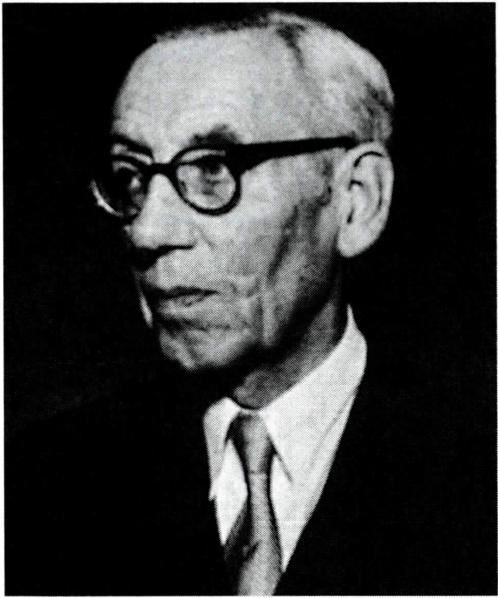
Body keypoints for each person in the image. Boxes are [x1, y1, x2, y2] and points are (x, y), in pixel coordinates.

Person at [5, 10, 494, 596]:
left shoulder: (475, 471)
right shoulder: (38, 487)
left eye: (213, 168)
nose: (148, 231)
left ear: (355, 200)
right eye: (129, 176)